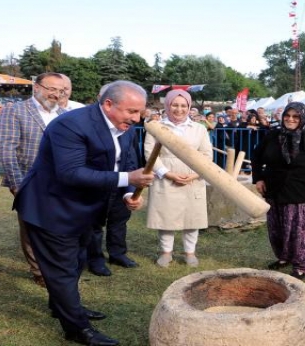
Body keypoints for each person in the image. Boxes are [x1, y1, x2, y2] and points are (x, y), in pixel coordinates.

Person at [14, 80, 154, 345]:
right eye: (131, 111)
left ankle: (63, 308)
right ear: (108, 104)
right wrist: (128, 178)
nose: (137, 119)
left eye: (140, 112)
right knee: (63, 269)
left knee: (78, 261)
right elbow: (71, 173)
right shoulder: (71, 125)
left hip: (85, 209)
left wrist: (128, 192)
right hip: (51, 208)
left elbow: (126, 164)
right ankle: (78, 329)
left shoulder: (127, 129)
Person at [0, 72, 67, 287]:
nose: (56, 94)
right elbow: (7, 150)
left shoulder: (64, 115)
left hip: (61, 182)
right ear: (36, 87)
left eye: (60, 90)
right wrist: (17, 185)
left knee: (56, 226)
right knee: (31, 227)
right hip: (29, 181)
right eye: (51, 88)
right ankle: (39, 271)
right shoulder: (15, 110)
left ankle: (55, 265)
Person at [252, 102, 305, 279]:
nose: (290, 119)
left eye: (295, 116)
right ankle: (284, 257)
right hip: (274, 189)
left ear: (303, 118)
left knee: (300, 231)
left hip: (300, 191)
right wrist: (258, 178)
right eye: (287, 115)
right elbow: (257, 156)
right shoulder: (272, 135)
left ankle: (302, 265)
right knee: (278, 228)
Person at [145, 89, 213, 268]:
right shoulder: (156, 127)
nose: (179, 109)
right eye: (175, 104)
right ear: (167, 105)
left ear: (189, 106)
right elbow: (150, 154)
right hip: (166, 177)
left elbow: (207, 154)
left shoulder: (199, 129)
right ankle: (166, 252)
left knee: (192, 218)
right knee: (166, 217)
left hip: (193, 177)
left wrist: (195, 174)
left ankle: (190, 252)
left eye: (183, 105)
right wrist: (167, 173)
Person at [87, 83, 139, 277]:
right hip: (97, 183)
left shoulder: (129, 128)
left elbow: (131, 159)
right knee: (94, 223)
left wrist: (129, 190)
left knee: (119, 220)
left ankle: (117, 254)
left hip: (120, 184)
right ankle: (95, 259)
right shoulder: (88, 126)